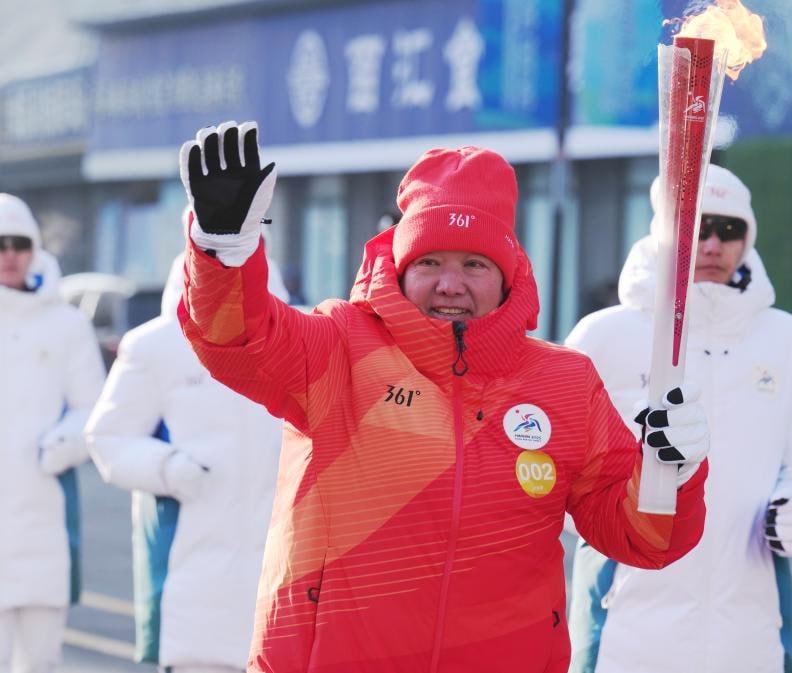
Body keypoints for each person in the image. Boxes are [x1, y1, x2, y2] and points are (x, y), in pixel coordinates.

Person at [173, 121, 710, 672]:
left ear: (507, 274)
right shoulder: (338, 349)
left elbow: (646, 538)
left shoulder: (564, 383)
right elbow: (234, 338)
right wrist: (223, 252)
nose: (450, 284)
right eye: (429, 262)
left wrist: (674, 471)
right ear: (401, 268)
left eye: (474, 264)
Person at [565, 166, 792, 673]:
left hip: (751, 626)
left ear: (748, 237)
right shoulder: (604, 336)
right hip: (625, 623)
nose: (714, 244)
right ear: (667, 232)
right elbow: (562, 478)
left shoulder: (789, 341)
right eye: (700, 228)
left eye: (730, 230)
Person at [84, 212, 290, 673]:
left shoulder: (298, 331)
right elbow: (107, 436)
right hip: (192, 565)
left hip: (284, 571)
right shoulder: (156, 343)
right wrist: (168, 468)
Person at [0, 194, 105, 673]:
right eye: (0, 244)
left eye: (19, 244)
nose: (9, 255)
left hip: (44, 517)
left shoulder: (66, 325)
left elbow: (95, 408)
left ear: (35, 248)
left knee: (40, 661)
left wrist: (61, 444)